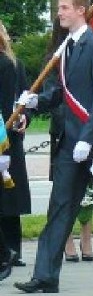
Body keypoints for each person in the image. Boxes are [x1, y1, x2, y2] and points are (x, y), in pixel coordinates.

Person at [14, 0, 93, 294]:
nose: (59, 13)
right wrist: (38, 100)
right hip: (68, 141)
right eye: (59, 7)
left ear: (81, 9)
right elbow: (61, 93)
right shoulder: (67, 46)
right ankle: (46, 275)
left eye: (64, 8)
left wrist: (88, 138)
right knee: (60, 206)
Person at [0, 20, 31, 269]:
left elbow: (24, 97)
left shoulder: (12, 64)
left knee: (9, 194)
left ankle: (12, 249)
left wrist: (24, 117)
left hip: (7, 137)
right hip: (5, 136)